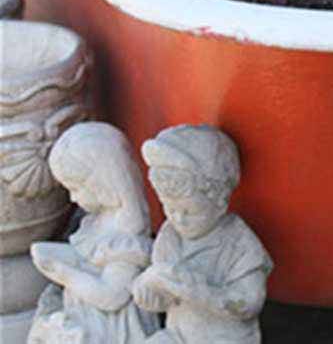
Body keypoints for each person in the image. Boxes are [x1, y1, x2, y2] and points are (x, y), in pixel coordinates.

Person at [132, 124, 272, 344]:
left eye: (191, 211)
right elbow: (160, 299)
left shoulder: (238, 242)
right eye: (170, 208)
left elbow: (250, 302)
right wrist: (148, 287)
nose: (179, 219)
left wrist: (200, 293)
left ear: (220, 202)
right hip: (177, 335)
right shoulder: (171, 235)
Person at [28, 122, 160, 343]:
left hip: (111, 330)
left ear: (105, 181)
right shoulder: (94, 223)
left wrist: (63, 272)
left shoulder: (127, 235)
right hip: (85, 319)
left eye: (77, 188)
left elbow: (112, 297)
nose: (72, 198)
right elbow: (89, 260)